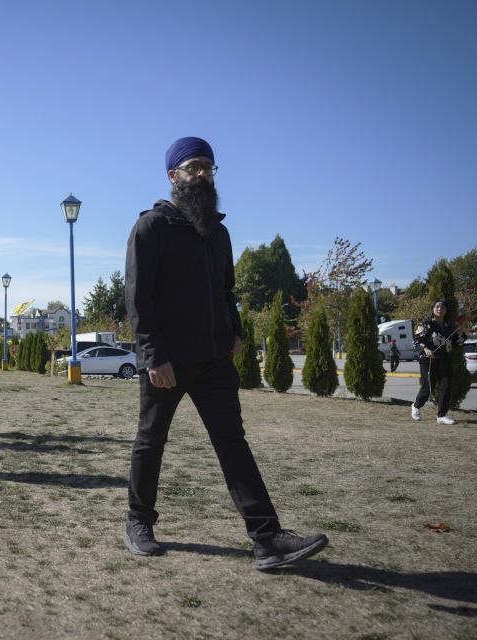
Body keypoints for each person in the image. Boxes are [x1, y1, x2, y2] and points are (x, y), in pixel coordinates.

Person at [123, 136, 328, 569]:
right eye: (193, 166)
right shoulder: (151, 227)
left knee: (233, 444)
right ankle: (138, 521)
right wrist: (152, 355)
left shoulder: (218, 232)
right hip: (167, 363)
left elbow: (226, 291)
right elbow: (138, 299)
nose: (202, 174)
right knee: (151, 441)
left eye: (208, 167)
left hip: (214, 359)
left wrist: (235, 331)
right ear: (173, 174)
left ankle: (267, 539)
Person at [411, 299, 466, 425]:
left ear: (446, 311)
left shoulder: (449, 327)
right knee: (428, 388)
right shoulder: (426, 324)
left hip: (445, 360)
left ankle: (442, 415)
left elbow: (459, 342)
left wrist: (462, 330)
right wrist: (425, 349)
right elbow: (416, 341)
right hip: (428, 360)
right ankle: (416, 406)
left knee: (446, 387)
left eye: (442, 307)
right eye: (437, 307)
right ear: (433, 309)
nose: (439, 309)